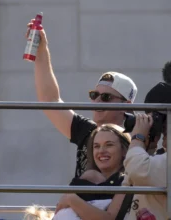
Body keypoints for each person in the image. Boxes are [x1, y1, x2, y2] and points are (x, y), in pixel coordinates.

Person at [26, 18, 138, 177]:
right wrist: (41, 50)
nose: (97, 101)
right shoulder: (87, 130)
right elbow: (50, 101)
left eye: (106, 97)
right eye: (94, 95)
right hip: (81, 201)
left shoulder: (137, 138)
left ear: (125, 105)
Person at [24, 124, 131, 220]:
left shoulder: (126, 181)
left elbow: (109, 219)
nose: (101, 151)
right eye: (96, 146)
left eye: (109, 145)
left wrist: (71, 198)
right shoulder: (86, 178)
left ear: (124, 150)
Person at [122, 80, 171, 219]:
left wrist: (138, 138)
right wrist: (147, 149)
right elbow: (130, 182)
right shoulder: (161, 157)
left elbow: (138, 171)